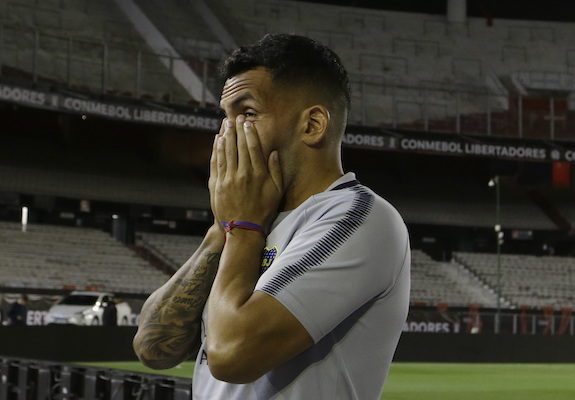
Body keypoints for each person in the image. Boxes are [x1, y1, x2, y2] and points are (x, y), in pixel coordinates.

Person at [133, 33, 410, 400]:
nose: (228, 133)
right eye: (226, 118)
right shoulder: (250, 222)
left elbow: (232, 356)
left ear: (312, 125)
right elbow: (154, 349)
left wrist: (244, 228)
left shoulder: (361, 218)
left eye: (247, 114)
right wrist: (223, 229)